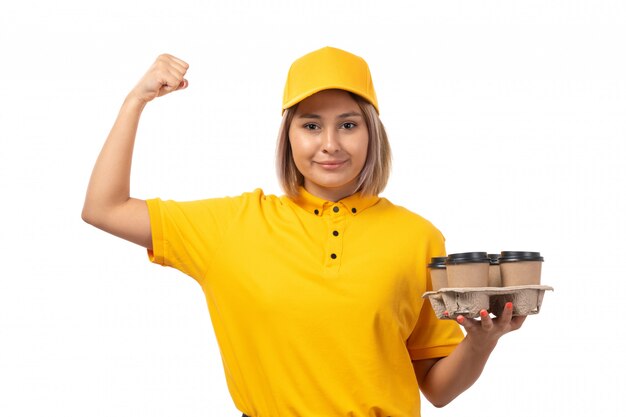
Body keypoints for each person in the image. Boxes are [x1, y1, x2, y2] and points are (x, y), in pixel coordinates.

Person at [82, 46, 526, 417]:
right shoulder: (232, 225)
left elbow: (438, 388)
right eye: (311, 124)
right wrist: (134, 101)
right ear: (288, 136)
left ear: (372, 134)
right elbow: (105, 208)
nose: (330, 143)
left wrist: (481, 342)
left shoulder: (417, 236)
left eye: (348, 125)